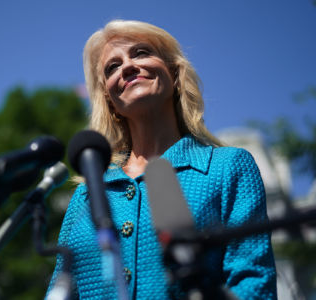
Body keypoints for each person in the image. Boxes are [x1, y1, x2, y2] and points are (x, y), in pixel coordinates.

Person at [46, 20, 277, 299]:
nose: (127, 66)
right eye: (112, 67)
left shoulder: (228, 167)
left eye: (141, 53)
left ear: (175, 74)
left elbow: (253, 285)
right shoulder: (85, 195)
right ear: (109, 100)